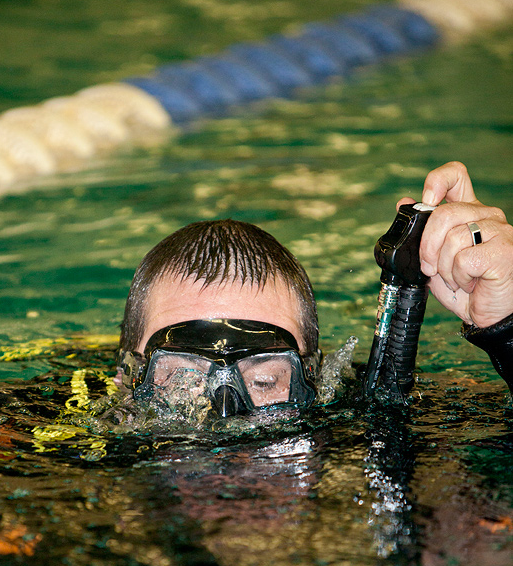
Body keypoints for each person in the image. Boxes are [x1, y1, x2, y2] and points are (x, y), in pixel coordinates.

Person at [117, 161, 513, 416]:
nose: (222, 414)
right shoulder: (67, 451)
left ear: (316, 381)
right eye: (182, 378)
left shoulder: (365, 424)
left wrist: (505, 328)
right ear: (125, 383)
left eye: (265, 382)